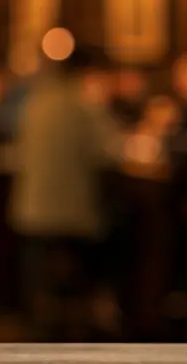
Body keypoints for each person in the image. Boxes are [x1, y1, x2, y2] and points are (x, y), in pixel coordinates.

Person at [9, 46, 122, 340]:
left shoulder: (34, 102)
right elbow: (108, 152)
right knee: (112, 238)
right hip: (71, 214)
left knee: (40, 262)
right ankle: (90, 314)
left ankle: (39, 313)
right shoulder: (82, 106)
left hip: (30, 208)